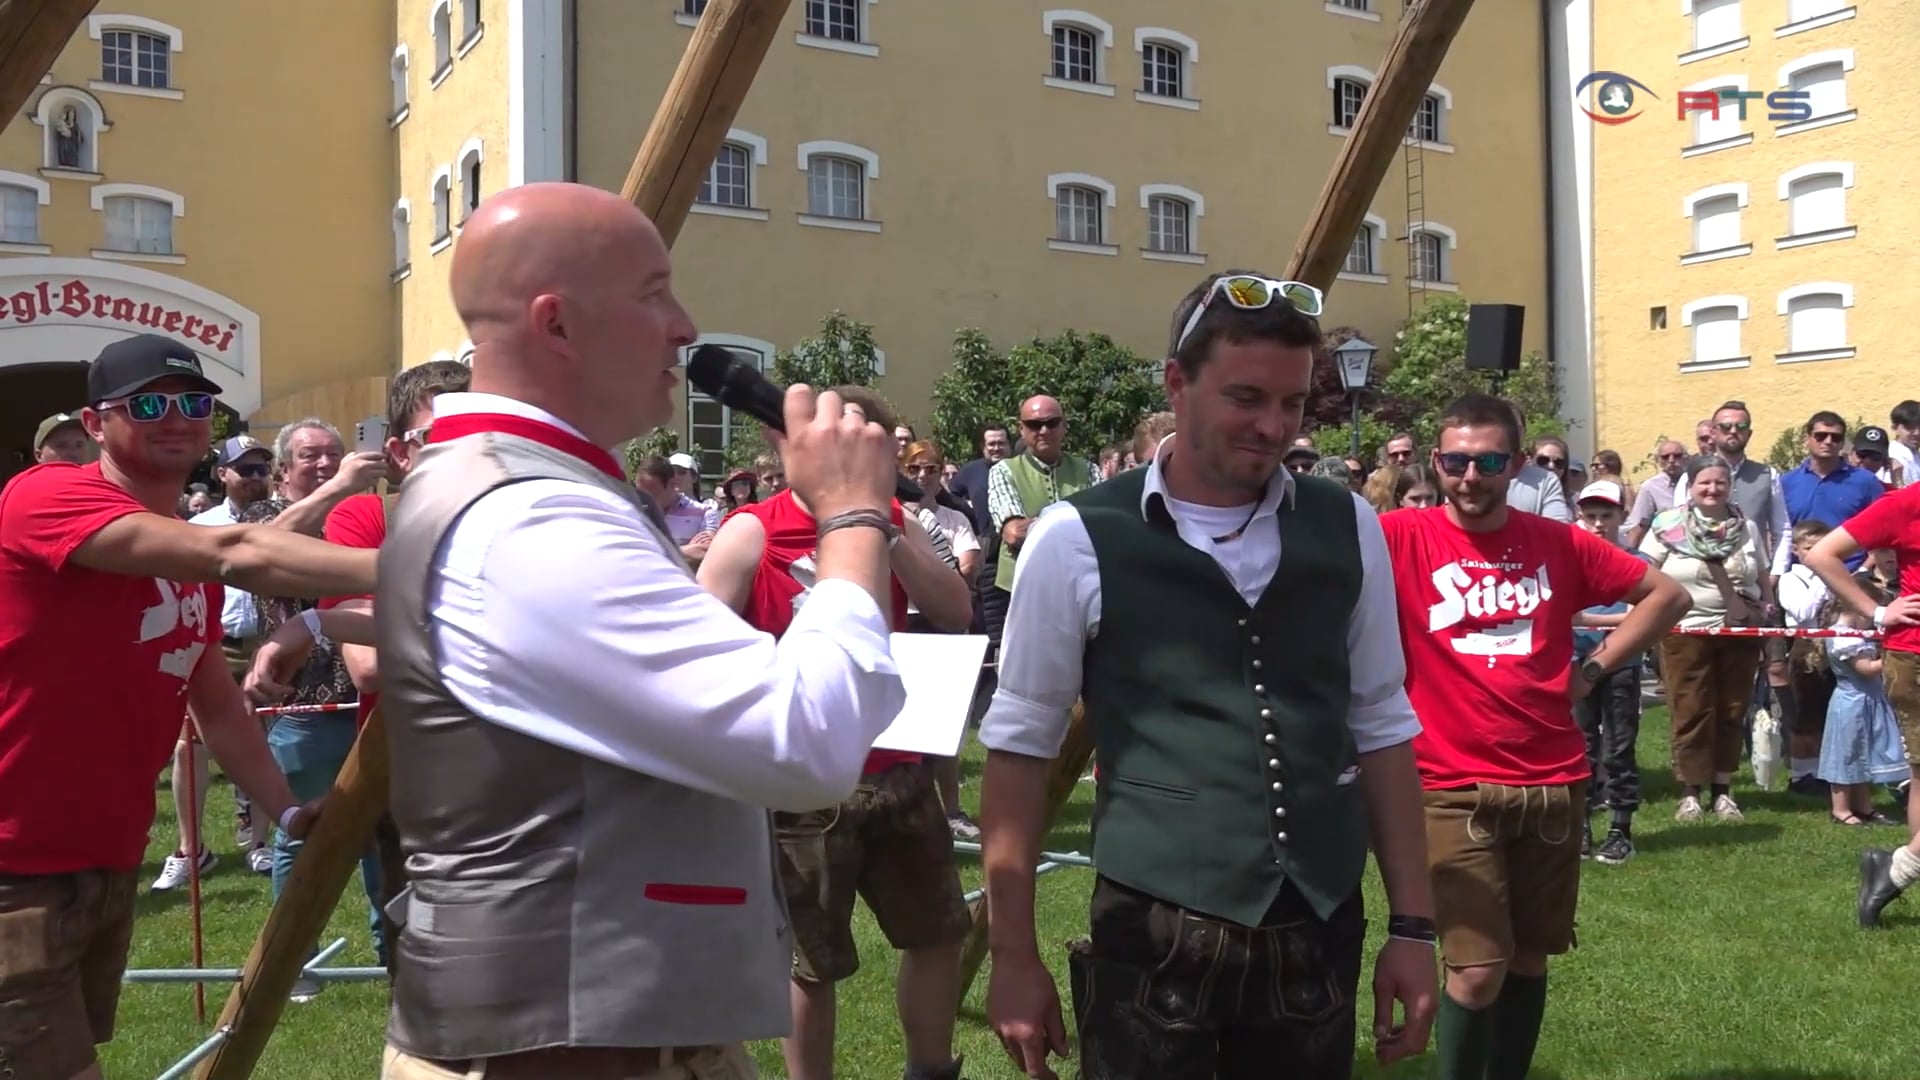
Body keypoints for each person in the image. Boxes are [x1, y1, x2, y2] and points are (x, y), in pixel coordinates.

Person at [372, 182, 910, 1080]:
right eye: (652, 292)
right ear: (556, 324)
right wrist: (855, 518)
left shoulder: (528, 493)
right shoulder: (529, 521)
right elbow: (803, 739)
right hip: (558, 1048)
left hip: (601, 1033)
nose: (685, 326)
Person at [983, 271, 1438, 1080]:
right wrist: (1013, 955)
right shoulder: (1077, 538)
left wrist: (1413, 927)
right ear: (1176, 383)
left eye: (1293, 404)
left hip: (1317, 924)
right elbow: (1020, 750)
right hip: (1154, 929)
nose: (1274, 426)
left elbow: (1381, 723)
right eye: (1246, 397)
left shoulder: (1349, 524)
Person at [0, 334, 375, 1080]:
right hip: (15, 862)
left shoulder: (183, 568)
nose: (176, 418)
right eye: (148, 403)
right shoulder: (47, 495)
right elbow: (235, 550)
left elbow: (220, 709)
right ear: (95, 422)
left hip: (103, 860)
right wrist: (433, 564)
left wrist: (289, 810)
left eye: (194, 402)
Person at [1379, 393, 1686, 1080]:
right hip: (1450, 783)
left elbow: (1667, 596)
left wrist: (1593, 670)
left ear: (1515, 465)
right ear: (1436, 461)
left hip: (1552, 778)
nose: (1470, 476)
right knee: (1477, 969)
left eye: (1488, 460)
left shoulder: (1556, 541)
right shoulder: (1400, 535)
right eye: (1456, 461)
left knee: (1528, 957)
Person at [699, 389, 973, 1080]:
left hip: (899, 765)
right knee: (811, 962)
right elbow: (699, 647)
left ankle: (930, 1069)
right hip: (801, 781)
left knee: (937, 932)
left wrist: (881, 528)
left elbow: (955, 609)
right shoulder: (750, 531)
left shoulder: (896, 519)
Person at [1801, 485, 1920, 928]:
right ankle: (1896, 871)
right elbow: (1822, 554)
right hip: (1915, 657)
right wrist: (1877, 610)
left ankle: (1894, 870)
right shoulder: (1905, 503)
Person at [1641, 456, 1773, 823]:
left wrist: (1768, 618)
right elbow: (1644, 574)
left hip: (1738, 630)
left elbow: (1761, 578)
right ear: (1691, 486)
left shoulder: (1744, 527)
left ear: (1729, 486)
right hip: (1684, 630)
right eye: (1705, 483)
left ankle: (1723, 791)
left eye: (1720, 483)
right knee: (1691, 709)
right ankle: (1690, 792)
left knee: (1732, 708)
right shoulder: (1667, 525)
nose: (1712, 489)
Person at [1570, 480, 1650, 864]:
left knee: (1619, 746)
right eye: (1591, 516)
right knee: (1580, 745)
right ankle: (1580, 825)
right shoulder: (1571, 561)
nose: (1599, 524)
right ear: (1579, 518)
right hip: (1579, 662)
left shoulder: (1636, 562)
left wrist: (1590, 618)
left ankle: (1620, 829)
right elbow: (1570, 613)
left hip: (1623, 664)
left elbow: (1646, 613)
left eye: (1607, 515)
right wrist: (1619, 620)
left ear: (1622, 516)